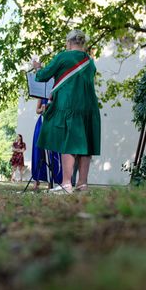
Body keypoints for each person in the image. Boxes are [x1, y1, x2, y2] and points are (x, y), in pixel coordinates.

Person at [32, 29, 101, 193]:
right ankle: (82, 184)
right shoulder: (89, 61)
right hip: (89, 106)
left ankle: (66, 183)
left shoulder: (63, 56)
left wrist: (37, 68)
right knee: (86, 144)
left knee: (67, 142)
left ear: (69, 42)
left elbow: (42, 76)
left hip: (68, 105)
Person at [31, 98, 62, 190]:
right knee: (38, 151)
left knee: (53, 152)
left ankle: (51, 181)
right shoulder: (41, 92)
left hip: (53, 122)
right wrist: (42, 109)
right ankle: (36, 179)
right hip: (42, 123)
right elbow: (37, 110)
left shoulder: (57, 91)